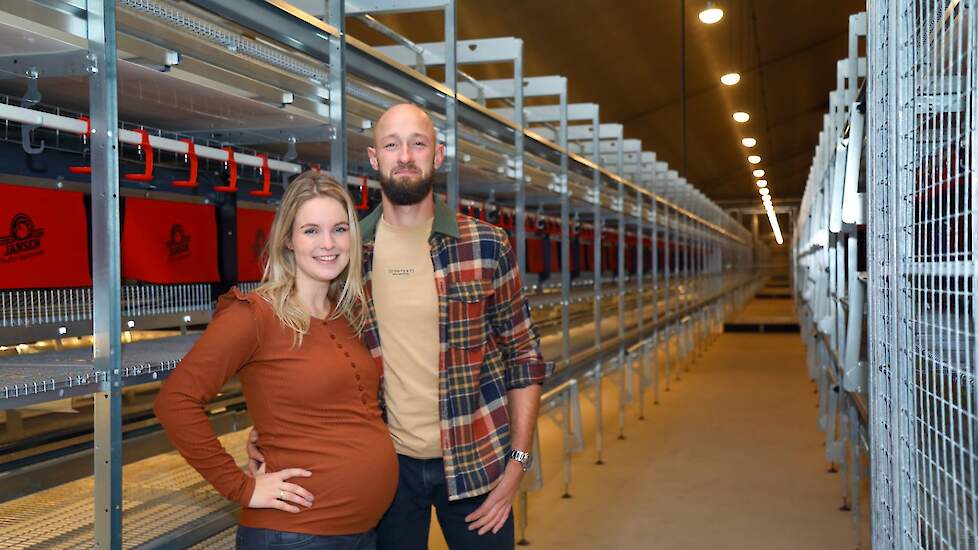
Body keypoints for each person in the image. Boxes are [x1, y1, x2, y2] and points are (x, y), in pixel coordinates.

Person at [247, 103, 551, 550]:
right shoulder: (346, 255)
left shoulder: (485, 244)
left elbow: (524, 355)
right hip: (384, 469)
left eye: (417, 144)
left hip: (476, 460)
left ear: (438, 155)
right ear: (374, 159)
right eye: (392, 145)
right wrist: (268, 433)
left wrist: (517, 463)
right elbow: (306, 353)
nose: (405, 155)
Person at [154, 171, 397, 550]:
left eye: (339, 229)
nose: (328, 243)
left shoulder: (345, 314)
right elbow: (176, 401)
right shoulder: (255, 315)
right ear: (288, 240)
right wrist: (242, 488)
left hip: (360, 532)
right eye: (311, 231)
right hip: (295, 535)